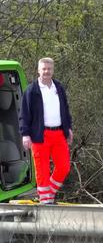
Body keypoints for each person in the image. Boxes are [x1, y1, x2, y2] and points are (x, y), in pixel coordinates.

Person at [19, 57, 73, 204]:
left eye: (49, 69)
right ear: (38, 70)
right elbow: (23, 114)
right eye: (44, 69)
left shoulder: (59, 88)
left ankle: (49, 193)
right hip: (39, 135)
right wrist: (25, 134)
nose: (46, 71)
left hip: (59, 133)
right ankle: (45, 201)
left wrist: (68, 128)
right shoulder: (31, 91)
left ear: (53, 70)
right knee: (42, 170)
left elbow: (65, 110)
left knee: (64, 167)